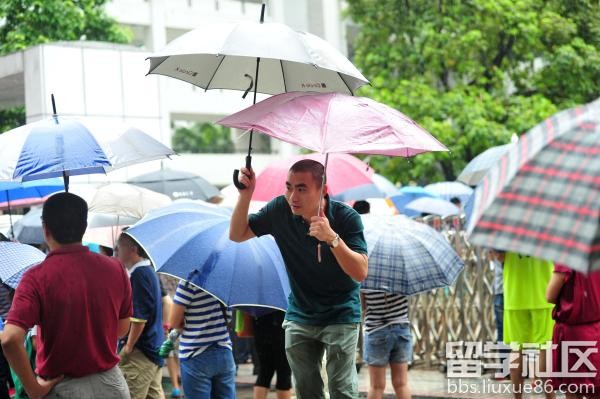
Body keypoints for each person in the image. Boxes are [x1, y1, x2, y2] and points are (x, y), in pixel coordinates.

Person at [230, 159, 369, 399]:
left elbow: (360, 272)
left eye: (301, 188)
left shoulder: (347, 218)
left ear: (322, 190)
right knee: (306, 390)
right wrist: (246, 194)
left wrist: (332, 239)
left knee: (341, 390)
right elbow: (237, 234)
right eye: (288, 187)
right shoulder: (279, 210)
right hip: (300, 314)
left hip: (341, 312)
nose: (293, 195)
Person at [1, 192, 132, 399]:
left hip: (63, 388)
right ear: (84, 227)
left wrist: (33, 389)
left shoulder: (36, 277)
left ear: (45, 229)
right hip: (111, 385)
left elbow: (9, 339)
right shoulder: (116, 268)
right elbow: (121, 330)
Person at [116, 233, 164, 399]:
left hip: (140, 351)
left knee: (132, 394)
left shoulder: (139, 274)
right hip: (152, 347)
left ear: (132, 249)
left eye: (119, 248)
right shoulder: (147, 271)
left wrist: (128, 348)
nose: (116, 252)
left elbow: (139, 319)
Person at [170, 278, 235, 398]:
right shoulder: (225, 280)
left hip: (196, 355)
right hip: (224, 353)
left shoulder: (189, 280)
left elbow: (173, 321)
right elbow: (229, 318)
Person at [503, 252, 555, 399]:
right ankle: (550, 397)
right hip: (544, 289)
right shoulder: (549, 228)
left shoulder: (504, 230)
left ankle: (518, 397)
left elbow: (498, 256)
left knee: (516, 348)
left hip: (515, 293)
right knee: (544, 347)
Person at [546, 264, 600, 398]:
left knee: (572, 387)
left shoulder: (567, 261)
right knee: (596, 387)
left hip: (572, 333)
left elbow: (550, 296)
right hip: (596, 331)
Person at [361, 291, 412, 399]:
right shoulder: (402, 275)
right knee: (401, 384)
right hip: (401, 331)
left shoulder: (367, 278)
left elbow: (362, 307)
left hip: (376, 331)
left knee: (376, 386)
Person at [252, 310, 292, 399]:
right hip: (282, 330)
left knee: (264, 372)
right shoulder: (284, 297)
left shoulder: (258, 297)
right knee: (284, 374)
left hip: (260, 328)